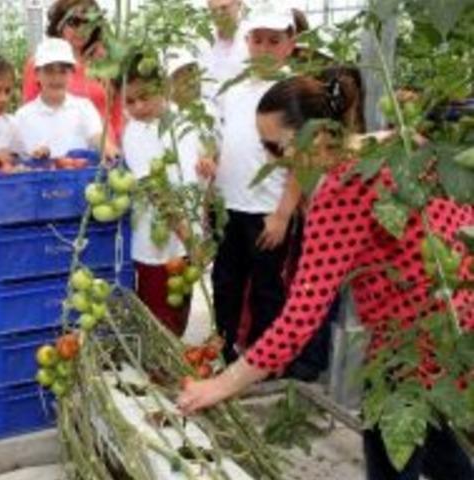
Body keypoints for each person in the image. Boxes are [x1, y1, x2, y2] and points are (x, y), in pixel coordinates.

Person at [178, 67, 474, 480]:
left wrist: (221, 385)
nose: (269, 158)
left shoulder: (341, 190)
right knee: (439, 437)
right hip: (455, 326)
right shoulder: (395, 143)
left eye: (274, 147)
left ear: (315, 136)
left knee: (394, 447)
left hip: (411, 341)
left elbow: (300, 317)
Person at [205, 4, 301, 362]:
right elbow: (222, 138)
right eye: (257, 39)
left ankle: (263, 360)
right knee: (225, 283)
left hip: (266, 209)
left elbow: (302, 161)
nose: (263, 48)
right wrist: (210, 171)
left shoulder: (293, 91)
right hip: (229, 206)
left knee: (266, 289)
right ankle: (224, 351)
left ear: (289, 44)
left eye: (273, 41)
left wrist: (282, 215)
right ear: (247, 41)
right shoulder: (235, 85)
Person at [122, 52, 207, 337]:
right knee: (158, 314)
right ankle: (159, 371)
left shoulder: (183, 122)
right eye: (130, 101)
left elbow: (192, 175)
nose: (138, 107)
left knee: (180, 304)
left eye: (144, 96)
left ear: (164, 88)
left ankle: (172, 368)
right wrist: (188, 235)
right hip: (157, 243)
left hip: (186, 237)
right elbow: (156, 191)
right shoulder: (135, 133)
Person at [21, 0, 124, 140]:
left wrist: (118, 146)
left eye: (88, 22)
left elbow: (117, 112)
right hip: (61, 152)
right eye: (74, 22)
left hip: (105, 152)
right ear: (59, 23)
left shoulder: (105, 63)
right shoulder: (39, 64)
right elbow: (31, 114)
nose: (81, 29)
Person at [15, 38, 118, 160]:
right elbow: (16, 158)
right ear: (37, 74)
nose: (56, 78)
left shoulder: (84, 107)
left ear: (71, 74)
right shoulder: (23, 116)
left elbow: (97, 136)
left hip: (79, 177)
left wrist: (108, 149)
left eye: (63, 72)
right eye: (49, 71)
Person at [197, 0, 249, 100]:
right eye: (213, 11)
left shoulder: (254, 38)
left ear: (238, 4)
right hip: (211, 110)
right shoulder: (202, 41)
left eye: (224, 8)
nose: (219, 14)